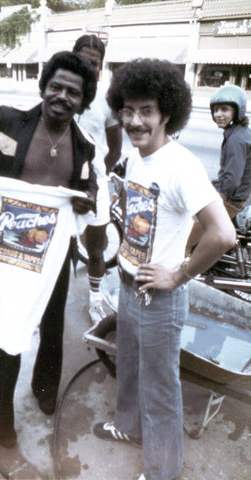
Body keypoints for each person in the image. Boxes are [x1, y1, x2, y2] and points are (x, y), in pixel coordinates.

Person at [93, 59, 236, 480]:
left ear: (167, 113)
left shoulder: (181, 164)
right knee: (130, 370)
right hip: (128, 285)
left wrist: (177, 275)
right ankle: (129, 427)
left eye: (147, 111)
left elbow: (223, 234)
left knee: (160, 391)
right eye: (128, 110)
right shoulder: (138, 158)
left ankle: (161, 471)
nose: (135, 121)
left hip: (160, 298)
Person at [0, 51, 98, 448]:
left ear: (83, 101)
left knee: (52, 323)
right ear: (44, 87)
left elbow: (91, 185)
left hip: (55, 252)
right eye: (57, 86)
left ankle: (45, 390)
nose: (63, 96)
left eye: (73, 92)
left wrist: (88, 198)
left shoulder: (84, 146)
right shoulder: (10, 121)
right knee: (11, 325)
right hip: (12, 245)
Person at [73, 34, 122, 324]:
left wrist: (94, 176)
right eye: (83, 60)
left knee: (95, 248)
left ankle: (94, 298)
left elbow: (115, 149)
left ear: (101, 67)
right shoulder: (60, 88)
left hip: (95, 187)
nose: (89, 67)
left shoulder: (107, 101)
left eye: (95, 63)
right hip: (58, 185)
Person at [186, 84, 251, 255]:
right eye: (215, 110)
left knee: (185, 239)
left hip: (232, 199)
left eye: (224, 110)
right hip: (233, 194)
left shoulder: (236, 139)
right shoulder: (237, 132)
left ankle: (181, 274)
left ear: (236, 111)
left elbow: (232, 180)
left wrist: (214, 201)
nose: (218, 114)